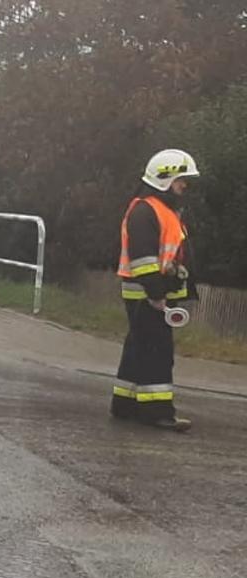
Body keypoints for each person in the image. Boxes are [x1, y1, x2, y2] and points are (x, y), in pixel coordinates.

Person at [111, 148, 199, 432]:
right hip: (147, 294)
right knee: (157, 352)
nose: (184, 186)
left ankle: (125, 405)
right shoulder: (146, 210)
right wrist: (157, 293)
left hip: (150, 292)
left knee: (138, 348)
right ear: (164, 179)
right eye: (180, 180)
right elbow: (144, 259)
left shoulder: (162, 211)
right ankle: (157, 412)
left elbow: (166, 255)